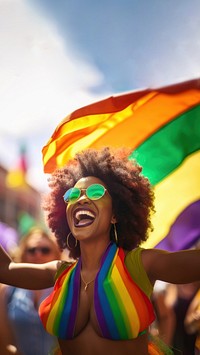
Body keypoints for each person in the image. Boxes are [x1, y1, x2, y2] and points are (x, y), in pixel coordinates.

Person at [0, 146, 200, 355]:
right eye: (72, 194)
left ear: (115, 215)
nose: (81, 199)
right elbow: (4, 269)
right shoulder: (59, 273)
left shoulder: (140, 264)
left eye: (96, 193)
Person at [0, 227, 62, 355]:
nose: (38, 254)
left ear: (56, 255)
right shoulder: (7, 291)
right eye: (32, 250)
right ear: (23, 254)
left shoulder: (67, 287)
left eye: (45, 250)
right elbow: (4, 343)